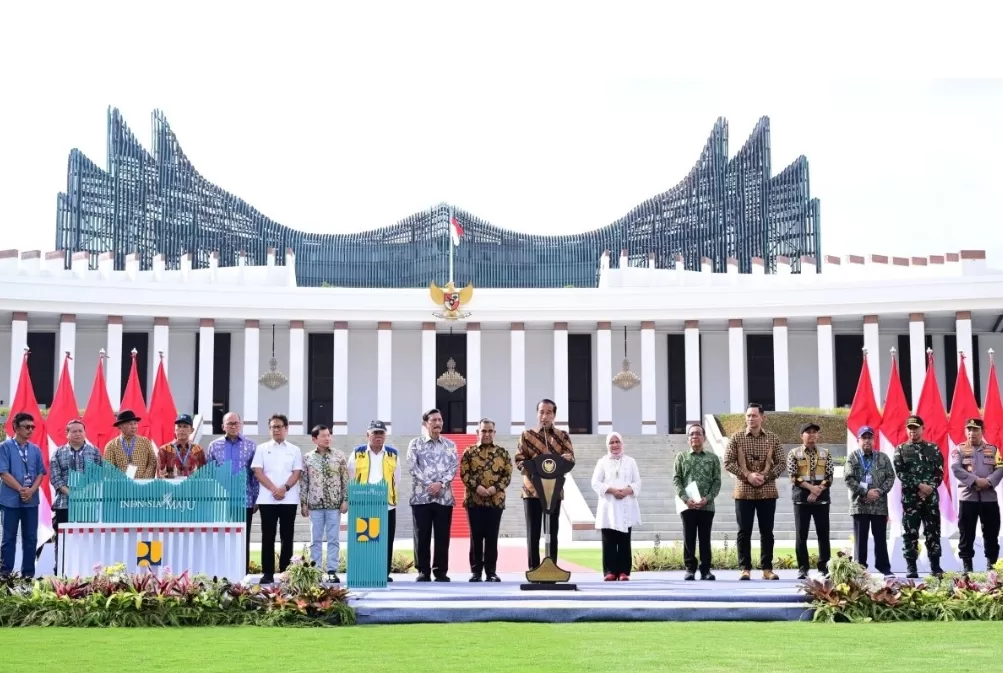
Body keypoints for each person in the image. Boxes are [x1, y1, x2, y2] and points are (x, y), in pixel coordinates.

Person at [723, 403, 784, 581]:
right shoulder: (736, 438)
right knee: (744, 531)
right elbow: (728, 462)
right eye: (748, 415)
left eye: (754, 415)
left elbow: (781, 462)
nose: (751, 418)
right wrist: (747, 475)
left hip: (767, 491)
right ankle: (745, 568)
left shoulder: (773, 438)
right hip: (744, 491)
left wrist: (766, 476)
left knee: (767, 532)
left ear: (762, 417)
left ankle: (767, 569)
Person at [515, 399, 576, 570]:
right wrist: (536, 463)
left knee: (552, 533)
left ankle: (552, 568)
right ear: (537, 414)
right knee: (533, 533)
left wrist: (560, 459)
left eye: (549, 412)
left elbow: (570, 458)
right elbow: (519, 460)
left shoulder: (562, 436)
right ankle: (533, 569)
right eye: (541, 412)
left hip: (553, 490)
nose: (545, 416)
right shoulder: (526, 436)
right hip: (532, 491)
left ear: (554, 415)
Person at [407, 409, 458, 582]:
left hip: (444, 498)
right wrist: (430, 485)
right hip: (422, 497)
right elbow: (413, 467)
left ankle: (440, 571)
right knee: (422, 535)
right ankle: (423, 570)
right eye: (433, 420)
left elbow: (453, 467)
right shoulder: (415, 444)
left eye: (440, 419)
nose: (438, 423)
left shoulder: (450, 445)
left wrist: (441, 484)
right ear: (425, 424)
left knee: (443, 535)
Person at [251, 414, 303, 584]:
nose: (276, 430)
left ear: (286, 429)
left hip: (289, 499)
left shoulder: (294, 450)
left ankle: (286, 572)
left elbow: (297, 473)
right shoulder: (262, 448)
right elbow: (258, 471)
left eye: (279, 426)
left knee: (287, 537)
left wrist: (284, 488)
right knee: (268, 537)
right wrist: (274, 489)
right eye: (273, 427)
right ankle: (267, 573)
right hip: (267, 499)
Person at [459, 418, 512, 582]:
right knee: (475, 537)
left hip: (495, 501)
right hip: (474, 501)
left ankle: (491, 572)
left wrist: (494, 488)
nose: (487, 434)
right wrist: (478, 488)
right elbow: (464, 473)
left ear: (494, 433)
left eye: (490, 431)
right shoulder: (469, 452)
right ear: (477, 432)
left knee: (492, 537)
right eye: (484, 431)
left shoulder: (502, 453)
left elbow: (507, 475)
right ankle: (476, 572)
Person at [348, 420, 401, 582]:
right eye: (375, 433)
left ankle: (383, 573)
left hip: (386, 505)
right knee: (365, 540)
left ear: (385, 435)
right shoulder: (358, 453)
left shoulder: (393, 453)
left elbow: (396, 478)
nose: (378, 436)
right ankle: (365, 571)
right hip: (364, 504)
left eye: (381, 433)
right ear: (368, 435)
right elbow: (351, 475)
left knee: (386, 540)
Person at [206, 412, 259, 575]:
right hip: (221, 501)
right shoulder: (214, 446)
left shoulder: (251, 446)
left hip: (245, 500)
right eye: (230, 423)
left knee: (243, 539)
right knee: (221, 539)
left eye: (236, 423)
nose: (234, 426)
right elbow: (210, 474)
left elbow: (255, 474)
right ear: (223, 426)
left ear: (241, 424)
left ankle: (243, 574)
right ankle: (221, 573)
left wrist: (256, 498)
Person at [893, 415, 944, 579]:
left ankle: (935, 566)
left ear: (923, 428)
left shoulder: (933, 448)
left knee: (933, 532)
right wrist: (920, 486)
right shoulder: (900, 449)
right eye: (910, 428)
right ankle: (911, 567)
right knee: (910, 533)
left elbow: (940, 472)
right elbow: (901, 472)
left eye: (916, 427)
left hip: (930, 499)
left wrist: (930, 487)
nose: (912, 431)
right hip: (911, 500)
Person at [950, 418, 1003, 573]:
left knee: (992, 533)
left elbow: (1000, 468)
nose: (971, 433)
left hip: (989, 498)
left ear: (982, 431)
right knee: (966, 534)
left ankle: (992, 566)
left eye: (975, 430)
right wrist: (975, 481)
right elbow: (956, 468)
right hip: (968, 498)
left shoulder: (993, 450)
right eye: (969, 429)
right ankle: (967, 567)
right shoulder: (958, 450)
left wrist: (988, 481)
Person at [49, 418, 102, 572]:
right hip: (64, 503)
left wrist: (85, 492)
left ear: (85, 433)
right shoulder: (58, 453)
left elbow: (99, 476)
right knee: (63, 540)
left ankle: (87, 572)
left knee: (87, 539)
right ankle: (61, 572)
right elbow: (55, 478)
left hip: (88, 504)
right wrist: (72, 493)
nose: (78, 434)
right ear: (67, 434)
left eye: (80, 431)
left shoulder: (94, 452)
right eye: (74, 431)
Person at [672, 423, 721, 581]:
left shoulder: (712, 458)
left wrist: (707, 498)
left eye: (698, 433)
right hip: (688, 505)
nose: (695, 436)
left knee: (705, 538)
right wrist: (686, 499)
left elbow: (717, 481)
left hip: (707, 505)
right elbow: (676, 480)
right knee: (689, 537)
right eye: (691, 434)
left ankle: (706, 570)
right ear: (688, 439)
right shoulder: (681, 457)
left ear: (704, 438)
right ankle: (690, 569)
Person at [0, 412, 47, 578]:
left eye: (32, 427)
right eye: (27, 427)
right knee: (8, 538)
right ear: (16, 428)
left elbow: (41, 473)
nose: (30, 430)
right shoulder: (4, 447)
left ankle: (28, 575)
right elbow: (3, 473)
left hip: (31, 501)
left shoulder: (35, 449)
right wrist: (21, 489)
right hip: (10, 501)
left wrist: (32, 490)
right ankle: (5, 575)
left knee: (31, 538)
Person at [300, 424, 349, 582]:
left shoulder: (339, 456)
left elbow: (345, 480)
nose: (327, 438)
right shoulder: (308, 458)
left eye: (329, 435)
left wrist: (345, 500)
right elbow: (304, 482)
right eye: (323, 436)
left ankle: (332, 571)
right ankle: (316, 571)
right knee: (316, 540)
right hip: (315, 506)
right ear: (314, 439)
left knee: (333, 539)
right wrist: (303, 503)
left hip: (334, 505)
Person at [591, 431, 642, 581]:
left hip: (626, 504)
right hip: (609, 506)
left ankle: (624, 572)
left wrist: (627, 490)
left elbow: (637, 482)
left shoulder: (630, 461)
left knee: (624, 540)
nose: (614, 445)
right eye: (611, 442)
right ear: (607, 445)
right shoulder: (602, 462)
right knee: (609, 540)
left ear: (622, 443)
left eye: (617, 442)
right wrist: (612, 490)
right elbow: (595, 482)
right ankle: (609, 572)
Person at [844, 425, 894, 577]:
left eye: (869, 438)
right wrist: (865, 492)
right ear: (858, 440)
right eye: (864, 438)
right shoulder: (852, 457)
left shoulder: (883, 457)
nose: (867, 441)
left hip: (879, 505)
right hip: (860, 505)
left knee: (880, 538)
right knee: (861, 539)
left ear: (874, 440)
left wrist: (878, 492)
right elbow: (848, 478)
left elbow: (890, 477)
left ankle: (884, 567)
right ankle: (860, 568)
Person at [786, 422, 834, 580]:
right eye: (808, 432)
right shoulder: (793, 453)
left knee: (823, 534)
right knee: (801, 535)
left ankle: (824, 567)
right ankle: (803, 568)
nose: (812, 435)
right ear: (802, 436)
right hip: (801, 499)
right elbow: (794, 476)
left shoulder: (825, 453)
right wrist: (811, 488)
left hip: (821, 500)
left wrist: (818, 490)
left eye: (815, 432)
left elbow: (829, 476)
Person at [104, 410, 157, 479]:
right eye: (130, 424)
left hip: (143, 485)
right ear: (120, 426)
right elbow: (109, 470)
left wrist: (144, 480)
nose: (134, 426)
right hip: (121, 486)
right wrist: (123, 482)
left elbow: (152, 462)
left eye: (135, 423)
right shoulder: (111, 446)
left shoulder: (145, 442)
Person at [156, 414, 207, 478]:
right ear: (174, 429)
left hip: (192, 486)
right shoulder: (164, 450)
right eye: (179, 426)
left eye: (185, 426)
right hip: (171, 487)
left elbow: (204, 474)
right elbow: (159, 476)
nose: (182, 429)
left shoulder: (198, 450)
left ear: (192, 430)